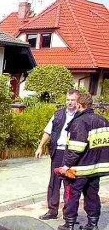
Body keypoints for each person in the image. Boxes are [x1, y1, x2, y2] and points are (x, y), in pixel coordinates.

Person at [55, 92, 109, 230]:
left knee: (73, 196)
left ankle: (69, 224)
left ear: (80, 104)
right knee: (92, 195)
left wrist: (66, 165)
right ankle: (93, 224)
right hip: (96, 168)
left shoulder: (80, 122)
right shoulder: (103, 120)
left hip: (80, 168)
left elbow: (76, 148)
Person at [35, 89, 80, 220]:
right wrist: (40, 146)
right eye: (68, 100)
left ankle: (69, 213)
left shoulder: (80, 116)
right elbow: (48, 132)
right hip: (58, 152)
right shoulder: (58, 114)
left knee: (69, 183)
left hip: (72, 153)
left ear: (78, 101)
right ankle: (52, 210)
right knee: (54, 182)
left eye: (72, 100)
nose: (69, 102)